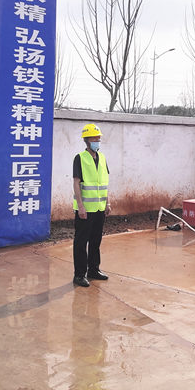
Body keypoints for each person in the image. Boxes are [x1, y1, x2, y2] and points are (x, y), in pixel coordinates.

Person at [72, 123, 111, 287]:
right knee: (81, 242)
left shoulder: (102, 158)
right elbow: (76, 183)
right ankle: (79, 274)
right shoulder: (80, 158)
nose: (98, 141)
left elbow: (104, 182)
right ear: (87, 140)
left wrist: (108, 202)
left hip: (100, 208)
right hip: (85, 209)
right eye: (95, 138)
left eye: (99, 138)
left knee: (96, 240)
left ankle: (93, 269)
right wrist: (80, 206)